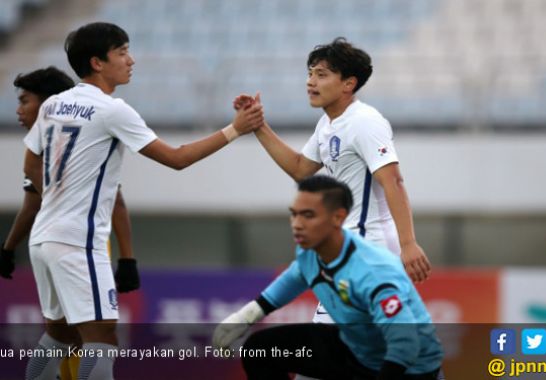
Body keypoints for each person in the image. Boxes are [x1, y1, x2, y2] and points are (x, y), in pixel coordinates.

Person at [21, 22, 264, 380]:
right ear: (98, 62)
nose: (131, 60)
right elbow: (177, 158)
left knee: (59, 336)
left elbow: (30, 160)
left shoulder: (55, 104)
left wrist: (57, 195)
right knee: (101, 337)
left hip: (43, 238)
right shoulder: (112, 110)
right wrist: (235, 129)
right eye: (122, 52)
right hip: (77, 242)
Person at [235, 37, 431, 327]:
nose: (310, 81)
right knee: (370, 350)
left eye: (321, 74)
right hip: (349, 251)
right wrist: (258, 126)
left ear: (348, 84)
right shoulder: (328, 124)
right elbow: (301, 169)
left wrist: (409, 243)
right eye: (310, 73)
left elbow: (393, 181)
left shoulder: (364, 121)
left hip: (370, 249)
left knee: (336, 350)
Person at [213, 175, 444, 380]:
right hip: (356, 350)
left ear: (338, 218)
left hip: (410, 369)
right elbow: (295, 276)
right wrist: (245, 317)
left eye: (308, 215)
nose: (297, 225)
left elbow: (406, 345)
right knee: (261, 350)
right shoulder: (311, 250)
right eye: (294, 215)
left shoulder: (373, 271)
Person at [0, 66, 139, 380]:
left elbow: (34, 202)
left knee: (66, 337)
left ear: (49, 102)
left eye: (25, 101)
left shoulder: (56, 143)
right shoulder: (63, 140)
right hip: (78, 243)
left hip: (58, 241)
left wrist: (8, 248)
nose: (19, 110)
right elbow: (113, 199)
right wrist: (128, 258)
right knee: (95, 339)